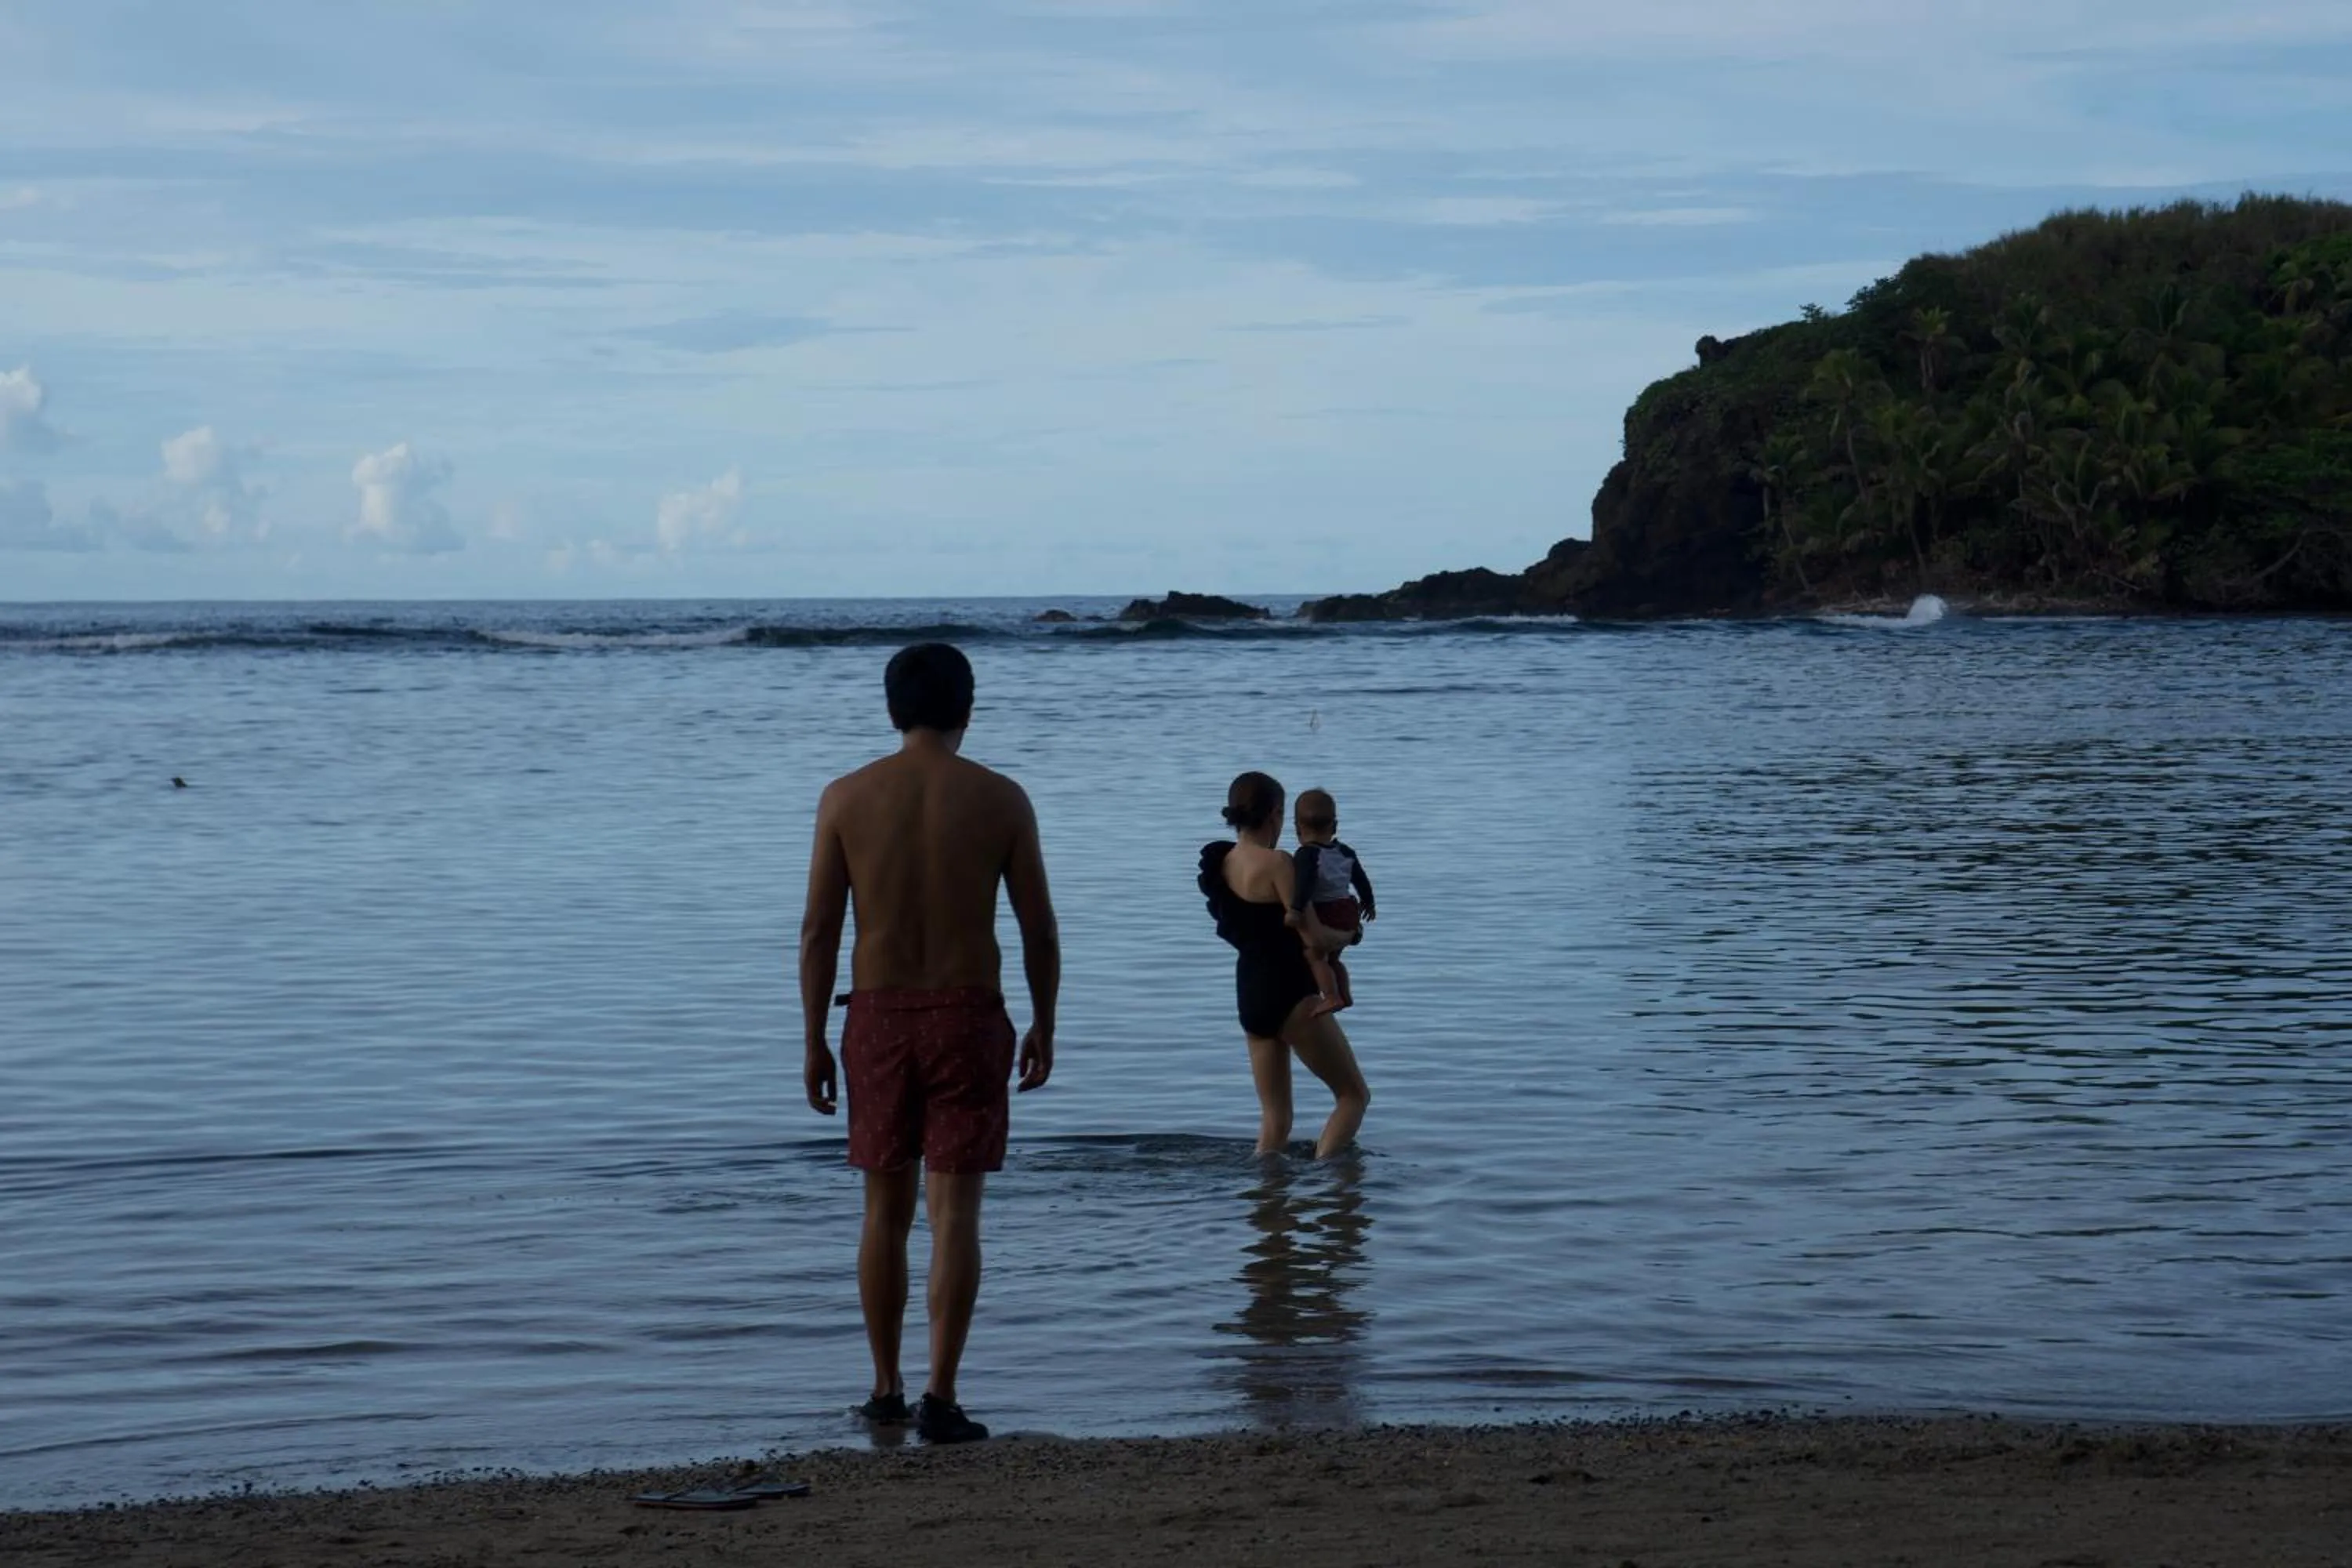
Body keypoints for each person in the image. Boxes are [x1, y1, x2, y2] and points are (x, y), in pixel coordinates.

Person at [798, 642, 1058, 1445]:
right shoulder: (1002, 798)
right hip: (968, 1013)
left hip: (875, 1015)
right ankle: (941, 1397)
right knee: (956, 1215)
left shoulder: (845, 797)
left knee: (884, 1210)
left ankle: (884, 1389)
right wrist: (1046, 1018)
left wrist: (812, 1037)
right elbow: (1037, 926)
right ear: (966, 710)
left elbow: (819, 930)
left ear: (892, 708)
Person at [1198, 771, 1371, 1159]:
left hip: (1250, 996)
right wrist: (1351, 935)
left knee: (1276, 1117)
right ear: (1275, 813)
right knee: (1353, 1096)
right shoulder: (1278, 864)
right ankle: (1332, 1188)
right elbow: (1316, 939)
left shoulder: (1222, 862)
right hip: (1291, 994)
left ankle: (1268, 1204)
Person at [1286, 788, 1376, 1014]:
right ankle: (1346, 995)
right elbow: (1361, 879)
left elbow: (1305, 884)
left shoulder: (1306, 854)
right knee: (1335, 959)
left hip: (1326, 911)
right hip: (1347, 910)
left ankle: (1332, 996)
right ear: (1334, 827)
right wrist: (1368, 903)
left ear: (1297, 829)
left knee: (1315, 956)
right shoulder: (1345, 852)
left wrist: (1296, 910)